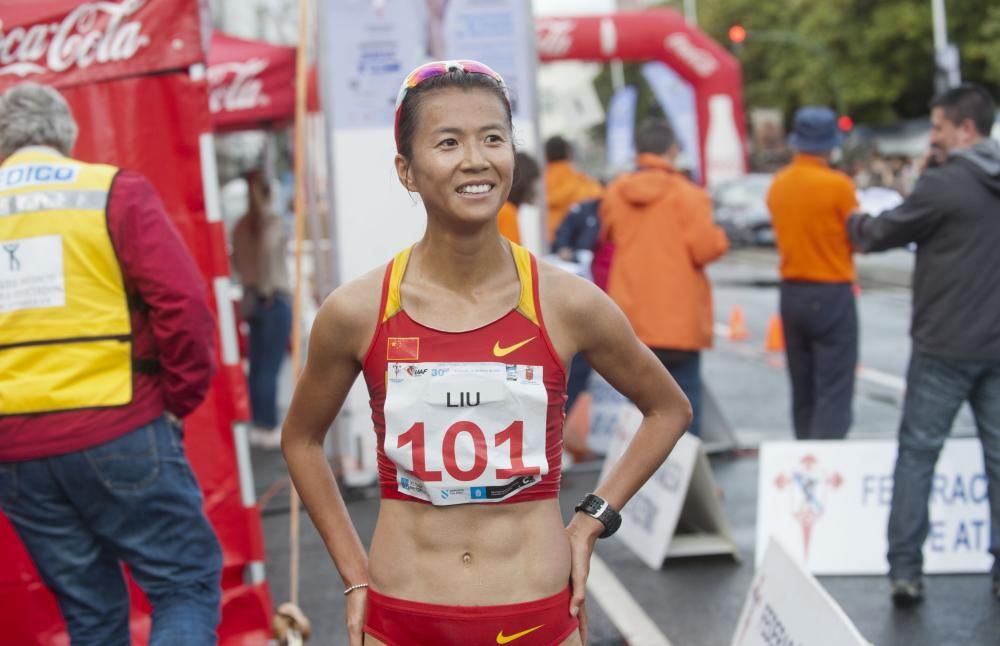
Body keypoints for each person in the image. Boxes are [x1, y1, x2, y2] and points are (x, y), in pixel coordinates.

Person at [281, 60, 692, 645]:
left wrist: (591, 522)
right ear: (406, 170)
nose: (476, 160)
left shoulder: (568, 301)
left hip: (538, 614)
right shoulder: (356, 310)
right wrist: (353, 575)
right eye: (448, 142)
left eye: (493, 138)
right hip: (403, 616)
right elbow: (300, 439)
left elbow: (668, 408)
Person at [0, 83, 222, 644]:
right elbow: (183, 302)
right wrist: (178, 397)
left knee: (91, 615)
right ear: (66, 137)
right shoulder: (110, 191)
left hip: (16, 449)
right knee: (184, 586)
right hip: (123, 424)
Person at [848, 83, 1000, 605]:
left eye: (937, 127)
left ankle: (906, 571)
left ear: (965, 129)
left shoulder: (944, 184)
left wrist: (853, 220)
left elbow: (880, 233)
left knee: (918, 457)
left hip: (943, 345)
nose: (931, 137)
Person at [599, 118, 729, 437]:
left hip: (630, 321)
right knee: (682, 405)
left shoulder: (616, 192)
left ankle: (641, 482)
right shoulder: (688, 195)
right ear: (672, 150)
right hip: (679, 321)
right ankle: (686, 483)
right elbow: (705, 249)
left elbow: (607, 234)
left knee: (639, 407)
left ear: (638, 152)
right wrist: (721, 238)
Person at [766, 106, 860, 440]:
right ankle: (827, 463)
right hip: (831, 291)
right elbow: (857, 239)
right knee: (833, 388)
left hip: (792, 292)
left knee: (802, 385)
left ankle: (803, 454)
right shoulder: (839, 185)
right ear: (829, 144)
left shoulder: (778, 184)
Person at [231, 170, 293, 449]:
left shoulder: (241, 225)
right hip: (271, 297)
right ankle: (267, 424)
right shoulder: (271, 222)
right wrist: (267, 288)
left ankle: (258, 422)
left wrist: (250, 285)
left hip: (251, 299)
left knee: (257, 366)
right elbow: (268, 252)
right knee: (270, 367)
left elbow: (235, 262)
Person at [544, 135, 603, 243]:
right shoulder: (582, 179)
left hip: (552, 235)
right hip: (581, 237)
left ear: (546, 154)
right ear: (568, 153)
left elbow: (547, 200)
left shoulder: (543, 178)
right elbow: (598, 197)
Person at [497, 151, 540, 244]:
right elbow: (511, 257)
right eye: (533, 182)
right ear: (525, 182)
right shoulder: (507, 212)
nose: (535, 189)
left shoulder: (500, 208)